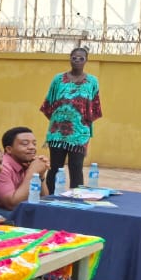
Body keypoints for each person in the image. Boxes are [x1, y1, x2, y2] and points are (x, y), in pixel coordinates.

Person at [41, 46, 103, 192]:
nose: (77, 61)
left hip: (79, 133)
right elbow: (49, 103)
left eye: (81, 58)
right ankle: (50, 197)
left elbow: (94, 106)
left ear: (86, 61)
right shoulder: (58, 79)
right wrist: (60, 121)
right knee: (55, 167)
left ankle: (76, 199)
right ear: (70, 59)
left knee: (76, 167)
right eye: (74, 57)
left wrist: (80, 123)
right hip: (57, 132)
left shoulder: (92, 81)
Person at [0, 125, 50, 212]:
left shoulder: (25, 162)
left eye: (34, 143)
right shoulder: (1, 167)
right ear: (9, 149)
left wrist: (40, 175)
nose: (32, 147)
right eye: (25, 144)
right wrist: (32, 172)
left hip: (20, 207)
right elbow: (12, 205)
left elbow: (43, 199)